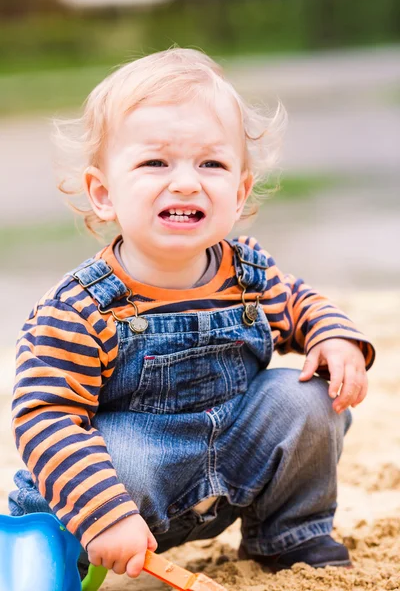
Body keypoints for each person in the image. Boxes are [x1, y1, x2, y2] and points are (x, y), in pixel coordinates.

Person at [10, 48, 375, 579]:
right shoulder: (81, 308)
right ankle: (60, 547)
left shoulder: (247, 273)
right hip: (122, 497)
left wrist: (334, 338)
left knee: (306, 396)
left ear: (240, 191)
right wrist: (105, 514)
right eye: (156, 162)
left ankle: (288, 537)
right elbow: (44, 416)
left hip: (227, 468)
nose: (186, 181)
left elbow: (299, 303)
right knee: (105, 450)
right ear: (104, 194)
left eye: (212, 163)